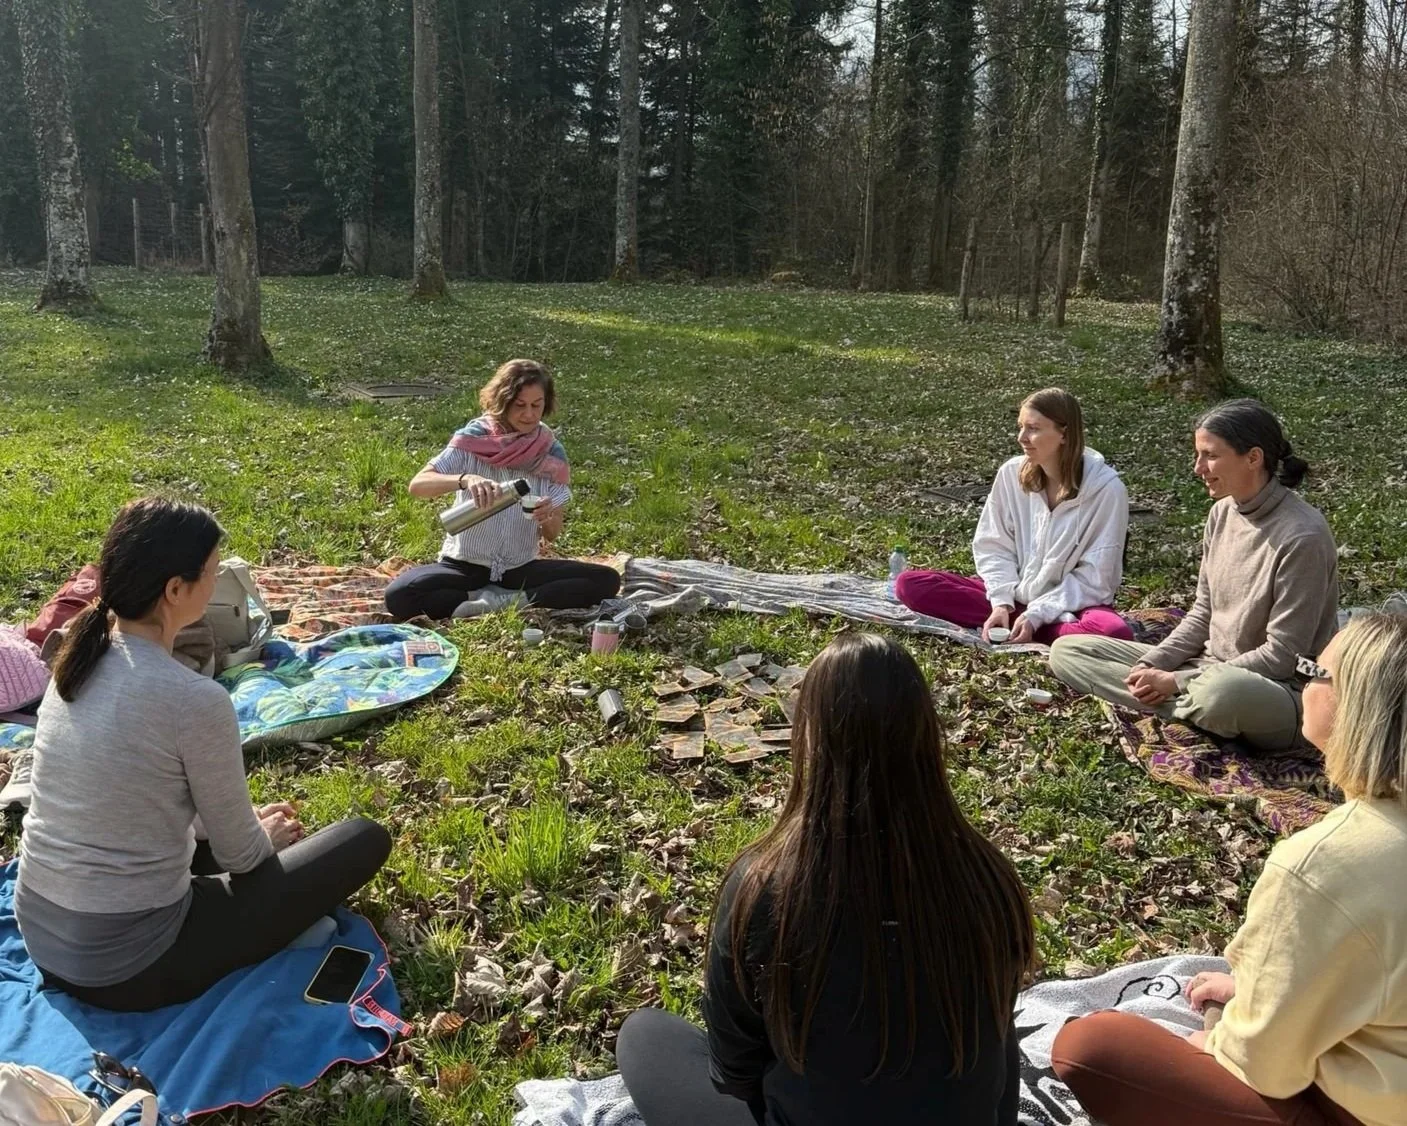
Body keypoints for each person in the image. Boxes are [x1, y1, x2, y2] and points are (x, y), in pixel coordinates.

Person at [615, 632, 1036, 1126]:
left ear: (812, 736)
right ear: (926, 731)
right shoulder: (989, 874)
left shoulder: (764, 887)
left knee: (645, 1033)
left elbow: (733, 1069)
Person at [15, 497, 391, 1013]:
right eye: (213, 573)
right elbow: (245, 858)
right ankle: (269, 939)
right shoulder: (194, 699)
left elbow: (127, 800)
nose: (216, 584)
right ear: (175, 589)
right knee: (363, 838)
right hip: (126, 968)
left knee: (229, 843)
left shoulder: (74, 662)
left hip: (43, 934)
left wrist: (232, 830)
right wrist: (263, 836)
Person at [1052, 610, 1407, 1126]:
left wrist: (1216, 1040)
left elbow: (1263, 1069)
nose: (1306, 682)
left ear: (1359, 705)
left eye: (1315, 673)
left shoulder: (1323, 864)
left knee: (1091, 1045)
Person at [1049, 398, 1338, 750]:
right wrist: (1151, 664)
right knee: (1067, 651)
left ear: (1253, 457)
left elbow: (1283, 656)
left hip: (1279, 691)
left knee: (1221, 695)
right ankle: (1190, 712)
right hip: (1205, 668)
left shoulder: (1303, 536)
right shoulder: (1221, 514)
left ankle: (1193, 708)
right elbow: (1202, 613)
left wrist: (1176, 680)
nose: (1198, 468)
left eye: (1210, 455)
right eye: (1198, 455)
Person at [384, 359, 620, 620]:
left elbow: (552, 535)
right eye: (519, 405)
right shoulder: (474, 438)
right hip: (464, 565)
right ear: (502, 402)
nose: (529, 414)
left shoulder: (551, 453)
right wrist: (465, 479)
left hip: (519, 568)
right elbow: (418, 485)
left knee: (606, 580)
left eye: (536, 405)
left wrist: (547, 514)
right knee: (400, 594)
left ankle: (500, 602)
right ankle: (489, 602)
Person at [895, 388, 1133, 645]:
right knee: (909, 584)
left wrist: (1038, 614)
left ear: (1064, 433)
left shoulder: (1107, 490)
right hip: (1014, 595)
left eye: (1033, 428)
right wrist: (1001, 604)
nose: (1022, 437)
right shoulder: (1011, 474)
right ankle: (1031, 628)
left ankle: (1033, 628)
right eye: (1020, 426)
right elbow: (993, 545)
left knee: (1114, 633)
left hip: (1071, 605)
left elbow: (1097, 577)